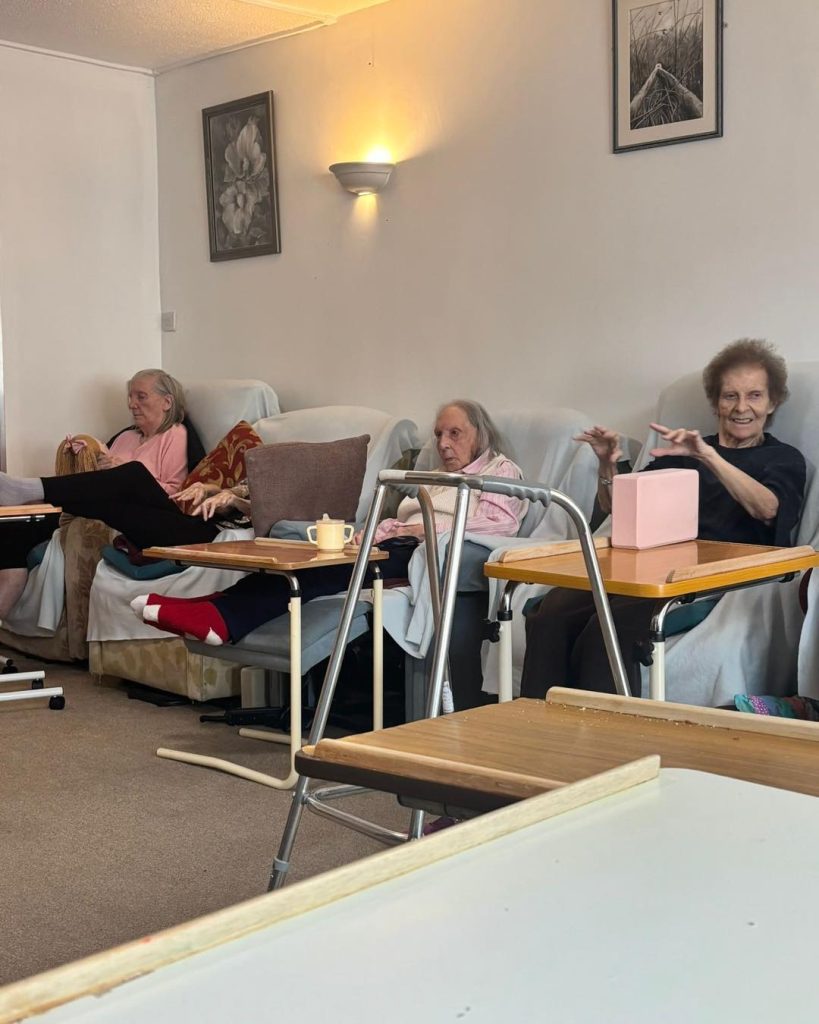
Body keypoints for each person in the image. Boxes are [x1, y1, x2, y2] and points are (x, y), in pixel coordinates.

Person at [520, 339, 807, 699]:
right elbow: (618, 506)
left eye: (754, 396)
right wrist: (608, 463)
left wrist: (710, 457)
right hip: (652, 568)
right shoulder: (684, 449)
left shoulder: (782, 459)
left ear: (773, 402)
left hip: (718, 577)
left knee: (604, 631)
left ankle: (606, 747)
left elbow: (768, 508)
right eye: (730, 396)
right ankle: (535, 735)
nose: (741, 407)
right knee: (549, 617)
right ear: (716, 402)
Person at [134, 400, 528, 647]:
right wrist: (367, 533)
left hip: (424, 554)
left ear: (482, 435)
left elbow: (499, 524)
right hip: (393, 544)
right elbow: (395, 520)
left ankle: (222, 619)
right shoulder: (435, 477)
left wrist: (423, 531)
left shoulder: (497, 471)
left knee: (321, 576)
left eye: (455, 433)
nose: (443, 443)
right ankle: (210, 608)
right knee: (304, 560)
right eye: (439, 433)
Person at [0, 369, 202, 619]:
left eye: (141, 396)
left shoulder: (175, 434)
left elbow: (176, 493)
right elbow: (95, 483)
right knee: (12, 533)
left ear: (167, 402)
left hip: (156, 514)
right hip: (111, 510)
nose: (132, 404)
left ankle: (27, 490)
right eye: (130, 397)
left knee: (133, 473)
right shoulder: (125, 437)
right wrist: (86, 456)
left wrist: (120, 470)